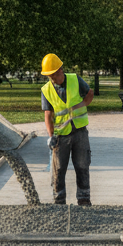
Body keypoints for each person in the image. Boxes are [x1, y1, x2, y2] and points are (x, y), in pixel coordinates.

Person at [40, 53, 95, 205]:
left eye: (52, 74)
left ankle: (84, 200)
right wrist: (51, 136)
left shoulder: (75, 79)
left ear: (60, 70)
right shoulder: (46, 90)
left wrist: (83, 105)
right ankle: (59, 201)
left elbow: (89, 93)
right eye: (48, 75)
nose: (51, 77)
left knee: (82, 165)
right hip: (61, 136)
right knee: (58, 170)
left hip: (80, 132)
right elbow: (48, 115)